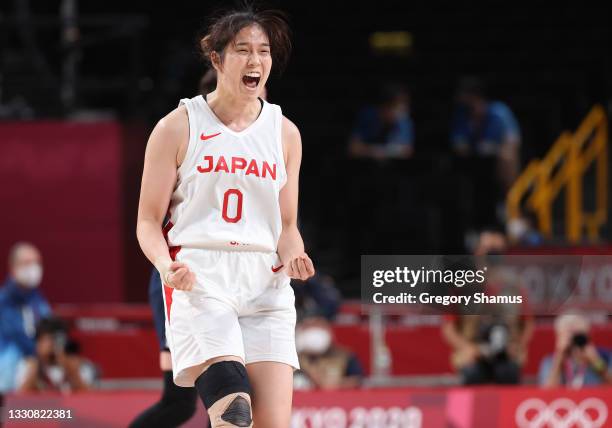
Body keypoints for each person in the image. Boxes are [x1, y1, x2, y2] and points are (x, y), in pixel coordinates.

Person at [136, 6, 315, 428]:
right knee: (234, 413)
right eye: (243, 51)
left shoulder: (284, 132)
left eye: (264, 51)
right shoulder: (177, 127)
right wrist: (165, 266)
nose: (256, 61)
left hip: (266, 285)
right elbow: (147, 221)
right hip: (202, 278)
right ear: (216, 58)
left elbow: (287, 227)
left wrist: (296, 253)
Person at [451, 77, 521, 191]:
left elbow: (513, 140)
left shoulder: (499, 111)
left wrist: (496, 150)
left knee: (508, 156)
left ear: (476, 97)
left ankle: (509, 199)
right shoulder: (461, 115)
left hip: (497, 155)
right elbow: (459, 145)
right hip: (475, 158)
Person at [0, 242, 51, 393]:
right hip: (10, 362)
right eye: (27, 263)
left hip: (39, 359)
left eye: (36, 262)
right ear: (14, 267)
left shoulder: (38, 299)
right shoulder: (4, 300)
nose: (33, 268)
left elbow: (48, 327)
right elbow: (15, 334)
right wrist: (35, 354)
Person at [15, 317, 90, 392]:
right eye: (45, 340)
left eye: (55, 340)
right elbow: (19, 397)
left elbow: (89, 396)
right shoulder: (28, 365)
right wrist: (34, 369)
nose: (51, 344)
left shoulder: (77, 365)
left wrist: (71, 370)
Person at [539, 312, 612, 388]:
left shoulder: (605, 356)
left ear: (588, 335)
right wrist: (559, 358)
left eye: (579, 336)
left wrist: (596, 361)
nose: (574, 342)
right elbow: (546, 393)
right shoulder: (550, 360)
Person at [294, 317, 363, 390]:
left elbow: (357, 380)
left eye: (319, 329)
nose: (314, 337)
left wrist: (335, 385)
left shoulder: (344, 355)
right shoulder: (297, 359)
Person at [348, 83, 414, 160]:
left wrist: (381, 152)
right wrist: (375, 152)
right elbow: (353, 149)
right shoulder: (368, 116)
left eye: (404, 107)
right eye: (395, 107)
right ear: (383, 107)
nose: (401, 112)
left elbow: (407, 151)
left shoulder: (403, 120)